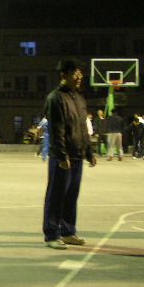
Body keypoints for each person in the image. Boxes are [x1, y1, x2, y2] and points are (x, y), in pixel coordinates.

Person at [42, 59, 96, 250]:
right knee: (56, 195)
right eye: (75, 73)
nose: (79, 76)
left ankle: (67, 232)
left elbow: (82, 127)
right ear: (63, 75)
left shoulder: (79, 99)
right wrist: (61, 155)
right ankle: (51, 234)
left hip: (77, 154)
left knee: (71, 195)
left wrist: (88, 151)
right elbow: (56, 130)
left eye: (80, 73)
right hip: (62, 157)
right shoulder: (56, 98)